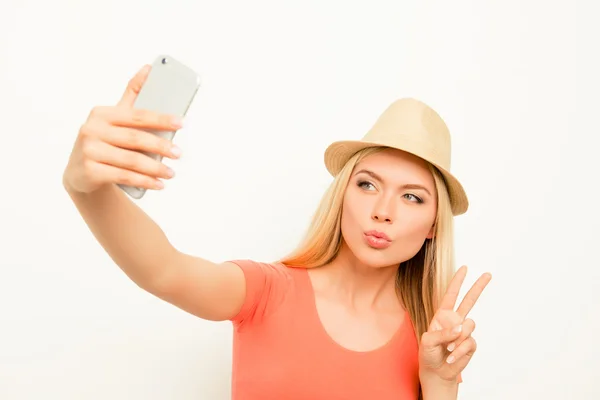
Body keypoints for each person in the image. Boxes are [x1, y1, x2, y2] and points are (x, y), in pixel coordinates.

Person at [63, 64, 492, 400]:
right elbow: (164, 270)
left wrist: (440, 384)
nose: (382, 211)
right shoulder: (268, 291)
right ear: (343, 194)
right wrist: (86, 188)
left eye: (411, 197)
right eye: (367, 184)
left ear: (435, 225)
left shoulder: (428, 338)